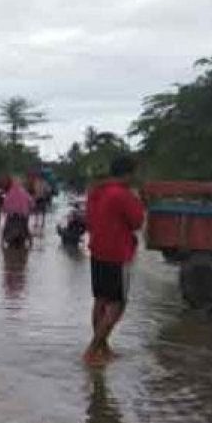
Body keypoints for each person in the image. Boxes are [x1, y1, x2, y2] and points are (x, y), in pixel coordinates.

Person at [83, 156, 146, 366]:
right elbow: (137, 222)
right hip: (118, 253)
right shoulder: (123, 194)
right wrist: (137, 200)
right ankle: (93, 349)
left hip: (97, 249)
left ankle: (102, 348)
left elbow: (88, 220)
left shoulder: (96, 192)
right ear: (128, 173)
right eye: (134, 173)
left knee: (100, 299)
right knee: (117, 304)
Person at [2, 176, 33, 248]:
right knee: (26, 229)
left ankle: (4, 243)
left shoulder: (10, 192)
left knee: (7, 227)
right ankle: (30, 244)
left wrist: (5, 210)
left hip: (12, 215)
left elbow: (5, 204)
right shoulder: (24, 192)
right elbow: (31, 202)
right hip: (23, 215)